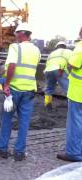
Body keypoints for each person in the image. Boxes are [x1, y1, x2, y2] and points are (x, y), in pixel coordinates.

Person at [0, 23, 41, 161]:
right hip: (30, 90)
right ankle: (19, 152)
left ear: (21, 34)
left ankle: (2, 149)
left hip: (14, 89)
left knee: (7, 119)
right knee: (24, 122)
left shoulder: (15, 47)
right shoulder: (37, 50)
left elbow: (12, 65)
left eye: (16, 34)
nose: (15, 36)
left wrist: (6, 84)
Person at [57, 31, 82, 162]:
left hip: (78, 93)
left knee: (75, 123)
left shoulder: (80, 49)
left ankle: (74, 153)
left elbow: (72, 65)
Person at [44, 41, 72, 112]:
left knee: (49, 88)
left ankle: (48, 105)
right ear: (65, 46)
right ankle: (71, 107)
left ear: (57, 47)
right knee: (68, 89)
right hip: (60, 70)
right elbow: (73, 62)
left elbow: (47, 63)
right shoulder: (68, 51)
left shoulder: (52, 53)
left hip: (48, 70)